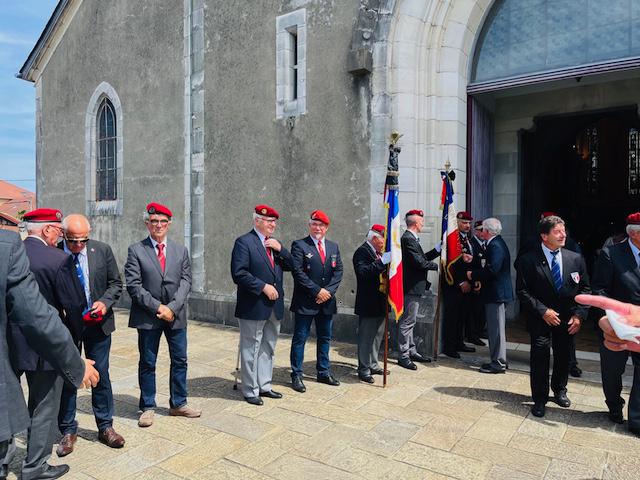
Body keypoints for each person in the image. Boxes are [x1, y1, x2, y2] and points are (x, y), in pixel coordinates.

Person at [0, 230, 99, 480]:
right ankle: (35, 466)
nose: (61, 237)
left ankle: (5, 458)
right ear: (48, 230)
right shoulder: (47, 256)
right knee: (43, 406)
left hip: (9, 343)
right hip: (45, 344)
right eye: (59, 230)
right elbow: (66, 307)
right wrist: (74, 346)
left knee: (8, 400)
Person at [125, 203, 198, 428]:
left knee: (180, 359)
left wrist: (172, 308)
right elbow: (134, 285)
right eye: (154, 221)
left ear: (169, 224)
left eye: (163, 222)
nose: (158, 225)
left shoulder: (180, 250)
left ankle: (178, 403)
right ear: (147, 224)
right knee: (148, 361)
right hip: (149, 315)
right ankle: (148, 406)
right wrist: (159, 308)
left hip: (176, 315)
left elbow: (186, 281)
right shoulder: (136, 250)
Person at [56, 214, 124, 456]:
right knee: (68, 376)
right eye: (72, 241)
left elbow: (116, 284)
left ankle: (105, 426)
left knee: (100, 374)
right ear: (63, 235)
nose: (78, 245)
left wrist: (104, 303)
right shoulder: (55, 253)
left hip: (98, 325)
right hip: (67, 327)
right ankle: (67, 429)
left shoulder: (102, 250)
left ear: (89, 233)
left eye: (83, 240)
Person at [515, 215, 590, 417]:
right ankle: (540, 398)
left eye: (563, 231)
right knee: (539, 358)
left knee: (563, 357)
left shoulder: (575, 258)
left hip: (567, 319)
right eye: (557, 232)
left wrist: (579, 315)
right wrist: (543, 311)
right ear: (544, 236)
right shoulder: (528, 260)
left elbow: (585, 289)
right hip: (540, 318)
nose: (563, 235)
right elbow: (522, 291)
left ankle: (559, 390)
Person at [584, 212, 640, 435]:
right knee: (612, 371)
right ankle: (614, 405)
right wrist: (608, 318)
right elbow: (599, 289)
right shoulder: (611, 254)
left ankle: (636, 419)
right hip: (617, 327)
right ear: (634, 234)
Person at [230, 205, 293, 405]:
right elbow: (239, 273)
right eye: (269, 221)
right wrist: (263, 286)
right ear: (257, 221)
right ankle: (250, 390)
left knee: (268, 347)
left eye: (274, 221)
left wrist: (281, 250)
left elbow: (292, 265)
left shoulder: (274, 244)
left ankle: (264, 385)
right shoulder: (244, 242)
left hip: (274, 306)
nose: (273, 225)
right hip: (254, 304)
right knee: (251, 348)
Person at [289, 210, 343, 392]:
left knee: (325, 338)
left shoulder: (333, 247)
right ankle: (297, 374)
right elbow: (298, 272)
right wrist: (317, 291)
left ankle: (323, 372)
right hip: (306, 301)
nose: (317, 228)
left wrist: (327, 292)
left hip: (326, 301)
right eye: (314, 224)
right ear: (309, 226)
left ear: (326, 228)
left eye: (321, 225)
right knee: (300, 338)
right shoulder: (299, 245)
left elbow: (338, 272)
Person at [466, 217, 513, 373]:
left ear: (486, 231)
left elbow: (492, 270)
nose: (481, 232)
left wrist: (473, 275)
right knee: (495, 330)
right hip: (495, 293)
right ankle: (499, 359)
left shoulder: (496, 245)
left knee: (496, 330)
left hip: (496, 294)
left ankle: (498, 363)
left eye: (482, 229)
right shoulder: (495, 243)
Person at [398, 209, 439, 369]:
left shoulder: (411, 239)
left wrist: (436, 250)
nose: (423, 224)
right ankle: (403, 355)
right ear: (415, 223)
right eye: (421, 221)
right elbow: (419, 262)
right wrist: (437, 267)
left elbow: (421, 258)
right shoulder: (408, 239)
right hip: (411, 287)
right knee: (407, 322)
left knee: (411, 321)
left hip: (414, 287)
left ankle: (411, 350)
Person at [353, 225, 391, 383]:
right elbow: (363, 272)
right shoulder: (362, 252)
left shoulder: (378, 252)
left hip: (381, 301)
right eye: (383, 239)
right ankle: (363, 368)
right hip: (368, 302)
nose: (385, 243)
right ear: (375, 238)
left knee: (377, 336)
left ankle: (373, 364)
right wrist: (382, 262)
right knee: (366, 338)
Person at [442, 211, 478, 357]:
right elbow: (450, 264)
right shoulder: (453, 239)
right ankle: (449, 347)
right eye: (464, 222)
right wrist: (461, 282)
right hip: (454, 285)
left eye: (469, 223)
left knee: (462, 316)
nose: (467, 225)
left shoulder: (467, 239)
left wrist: (473, 281)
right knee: (452, 317)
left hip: (467, 285)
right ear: (456, 223)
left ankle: (459, 342)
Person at [468, 220, 486, 345]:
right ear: (476, 231)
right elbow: (471, 266)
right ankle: (473, 334)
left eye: (484, 230)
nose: (483, 232)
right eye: (481, 230)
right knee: (474, 310)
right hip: (475, 282)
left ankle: (480, 330)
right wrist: (475, 281)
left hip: (484, 282)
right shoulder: (471, 244)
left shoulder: (487, 244)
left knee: (482, 309)